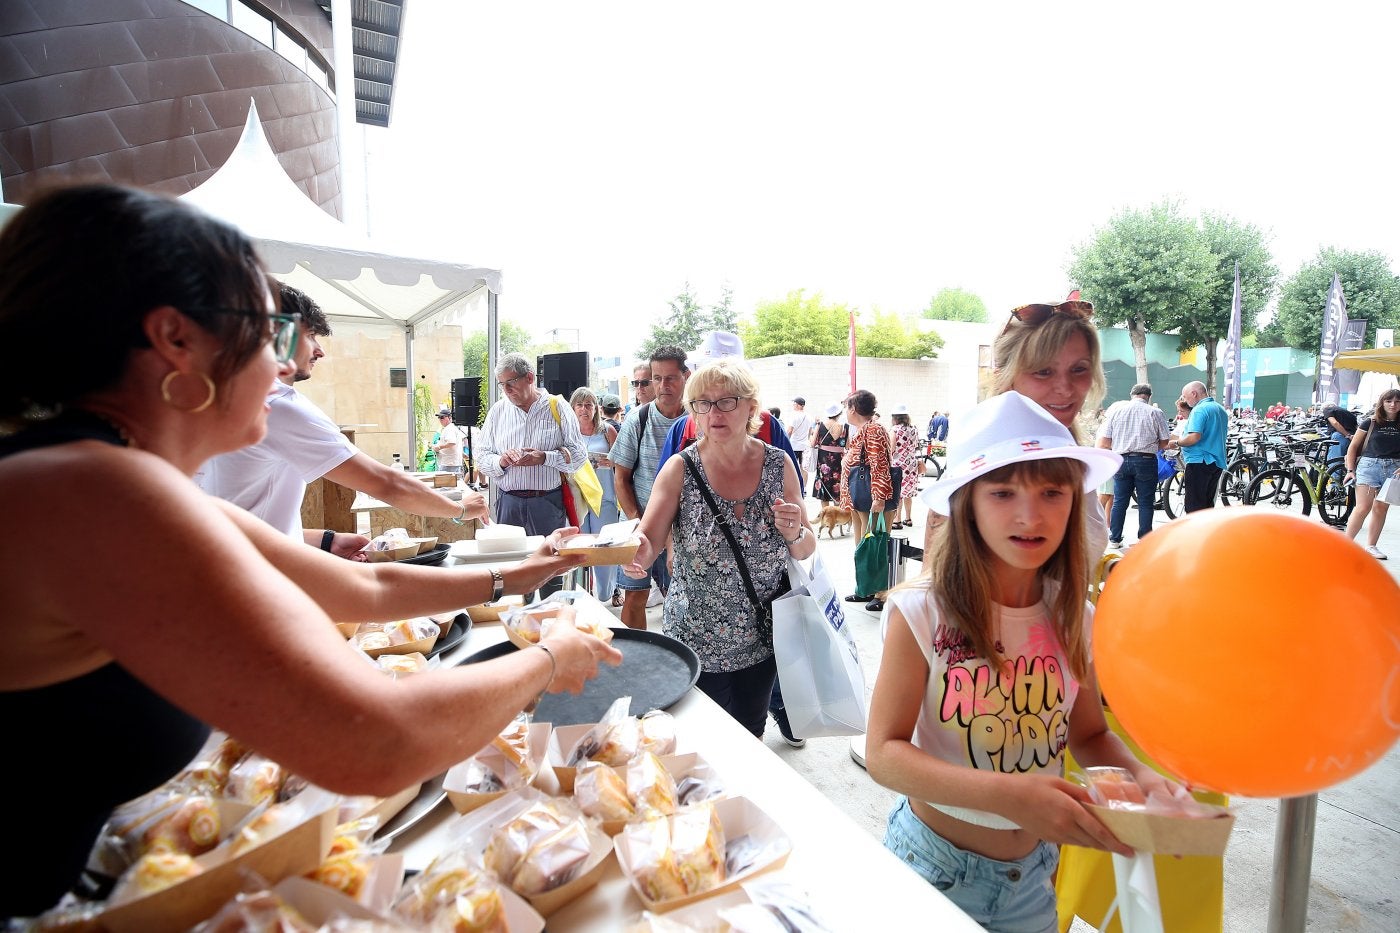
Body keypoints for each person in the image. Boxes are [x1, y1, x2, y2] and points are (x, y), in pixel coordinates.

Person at [0, 184, 621, 918]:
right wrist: (551, 657)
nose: (285, 368)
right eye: (266, 335)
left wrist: (530, 571)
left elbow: (370, 590)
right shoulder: (101, 493)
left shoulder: (108, 474)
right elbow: (380, 739)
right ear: (174, 339)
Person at [865, 391, 1173, 932]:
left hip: (1033, 876)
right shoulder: (921, 611)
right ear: (967, 504)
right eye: (1003, 492)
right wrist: (1011, 796)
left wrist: (1148, 781)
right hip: (933, 868)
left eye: (1053, 492)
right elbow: (885, 754)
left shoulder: (1078, 615)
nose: (1030, 515)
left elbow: (1090, 735)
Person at [197, 284, 485, 556]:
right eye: (309, 335)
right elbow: (387, 484)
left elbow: (242, 515)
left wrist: (327, 540)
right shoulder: (279, 406)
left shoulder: (221, 401)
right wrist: (459, 509)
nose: (319, 350)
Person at [623, 359, 815, 738]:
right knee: (707, 740)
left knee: (750, 733)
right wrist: (634, 557)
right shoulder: (680, 468)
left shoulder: (779, 465)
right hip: (696, 636)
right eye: (702, 404)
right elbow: (649, 539)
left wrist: (794, 532)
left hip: (762, 636)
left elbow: (806, 548)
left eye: (727, 401)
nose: (714, 412)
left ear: (750, 408)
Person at [476, 353, 587, 596]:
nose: (506, 390)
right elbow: (482, 456)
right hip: (508, 503)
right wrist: (501, 461)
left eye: (511, 383)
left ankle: (554, 623)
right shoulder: (498, 412)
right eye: (501, 385)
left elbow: (579, 455)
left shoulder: (558, 407)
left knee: (551, 573)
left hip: (547, 503)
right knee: (512, 574)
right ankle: (519, 628)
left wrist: (544, 457)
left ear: (529, 377)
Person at [610, 346, 690, 629]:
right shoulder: (638, 419)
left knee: (681, 597)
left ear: (686, 376)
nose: (662, 386)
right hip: (638, 523)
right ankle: (637, 662)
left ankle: (678, 663)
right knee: (635, 595)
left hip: (683, 529)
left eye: (670, 378)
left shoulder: (698, 421)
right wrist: (639, 523)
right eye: (657, 378)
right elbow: (620, 478)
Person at [840, 389, 898, 611]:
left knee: (875, 545)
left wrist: (879, 497)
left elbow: (879, 463)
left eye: (847, 407)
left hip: (871, 498)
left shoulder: (872, 429)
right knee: (863, 545)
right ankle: (865, 589)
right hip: (860, 498)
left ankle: (880, 594)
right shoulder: (866, 429)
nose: (846, 411)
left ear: (854, 409)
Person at [1096, 383, 1171, 548]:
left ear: (1132, 395)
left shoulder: (1116, 412)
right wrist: (1149, 447)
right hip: (1146, 459)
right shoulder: (1155, 412)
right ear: (1148, 396)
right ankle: (1144, 539)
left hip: (1121, 459)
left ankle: (1115, 538)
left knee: (1120, 501)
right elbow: (1165, 441)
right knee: (1145, 501)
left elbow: (1104, 441)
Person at [570, 386, 621, 600]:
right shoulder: (568, 432)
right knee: (579, 547)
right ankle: (579, 594)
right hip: (578, 497)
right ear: (573, 408)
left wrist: (612, 461)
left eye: (588, 404)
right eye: (579, 405)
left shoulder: (607, 431)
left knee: (604, 547)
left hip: (605, 496)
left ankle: (606, 593)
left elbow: (623, 461)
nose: (584, 409)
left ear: (596, 408)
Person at [1343, 389, 1400, 560]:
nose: (1393, 404)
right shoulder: (1370, 422)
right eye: (1389, 401)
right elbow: (1353, 447)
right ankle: (1345, 545)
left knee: (1381, 508)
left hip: (1394, 469)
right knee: (1362, 507)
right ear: (1382, 402)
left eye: (1397, 401)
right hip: (1369, 466)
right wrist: (1350, 470)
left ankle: (1371, 546)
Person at [1166, 380, 1227, 512]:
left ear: (1194, 393)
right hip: (1216, 461)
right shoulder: (1219, 408)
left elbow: (1194, 437)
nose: (1185, 400)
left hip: (1199, 461)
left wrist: (1176, 443)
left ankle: (1194, 532)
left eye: (1185, 396)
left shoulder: (1199, 410)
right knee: (1207, 504)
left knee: (1194, 506)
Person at [888, 404, 921, 530]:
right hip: (911, 464)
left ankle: (897, 520)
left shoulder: (894, 430)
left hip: (898, 465)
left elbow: (891, 449)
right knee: (908, 493)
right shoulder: (914, 429)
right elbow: (916, 445)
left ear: (895, 417)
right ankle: (908, 518)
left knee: (898, 493)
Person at [812, 402, 848, 505]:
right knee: (838, 483)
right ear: (839, 414)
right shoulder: (845, 427)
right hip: (839, 460)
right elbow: (848, 446)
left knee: (825, 483)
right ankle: (838, 513)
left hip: (823, 459)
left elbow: (813, 443)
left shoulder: (820, 425)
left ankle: (825, 516)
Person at [431, 406, 469, 479]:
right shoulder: (451, 428)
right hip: (451, 462)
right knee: (452, 483)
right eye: (439, 418)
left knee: (445, 484)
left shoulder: (449, 429)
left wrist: (438, 447)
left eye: (442, 417)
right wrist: (462, 454)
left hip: (449, 463)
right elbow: (456, 445)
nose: (440, 420)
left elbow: (451, 443)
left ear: (449, 418)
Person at [787, 396, 815, 492]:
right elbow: (811, 432)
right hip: (805, 446)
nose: (793, 405)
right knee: (804, 468)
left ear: (798, 405)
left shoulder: (793, 416)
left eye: (794, 403)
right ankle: (804, 489)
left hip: (794, 446)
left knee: (792, 468)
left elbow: (790, 431)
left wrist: (786, 442)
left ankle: (794, 488)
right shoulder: (810, 417)